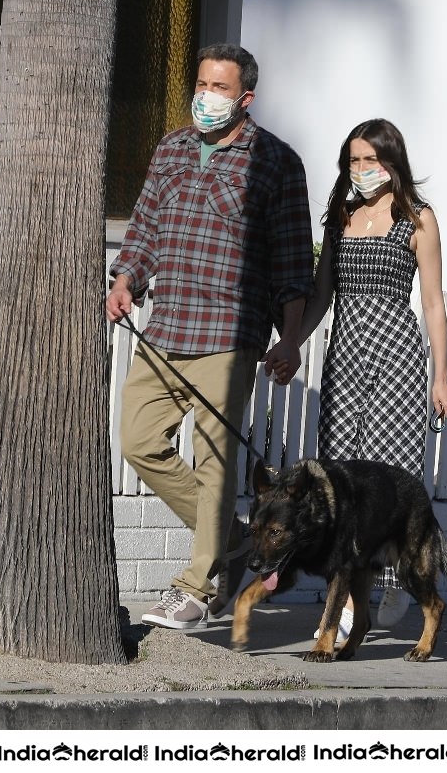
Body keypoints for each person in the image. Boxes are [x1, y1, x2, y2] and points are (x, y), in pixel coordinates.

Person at [108, 43, 315, 630]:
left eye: (219, 89)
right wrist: (126, 279)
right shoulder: (172, 148)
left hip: (230, 332)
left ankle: (196, 587)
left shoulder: (276, 161)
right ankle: (236, 540)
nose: (206, 97)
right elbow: (146, 222)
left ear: (245, 98)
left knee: (217, 462)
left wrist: (290, 339)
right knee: (138, 442)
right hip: (166, 324)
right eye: (201, 84)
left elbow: (292, 259)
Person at [266, 118, 447, 638]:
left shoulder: (418, 219)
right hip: (347, 354)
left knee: (389, 474)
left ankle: (390, 581)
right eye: (353, 161)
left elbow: (434, 303)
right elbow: (322, 293)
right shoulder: (340, 217)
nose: (361, 170)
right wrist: (290, 344)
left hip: (394, 352)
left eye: (370, 160)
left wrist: (442, 377)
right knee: (342, 478)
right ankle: (351, 601)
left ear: (392, 162)